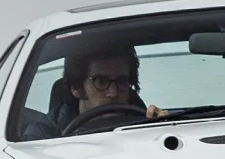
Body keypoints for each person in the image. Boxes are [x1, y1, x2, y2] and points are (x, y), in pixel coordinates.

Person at [22, 45, 167, 140]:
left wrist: (163, 126)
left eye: (122, 81)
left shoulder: (147, 121)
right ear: (76, 88)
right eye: (101, 81)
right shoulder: (44, 135)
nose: (113, 92)